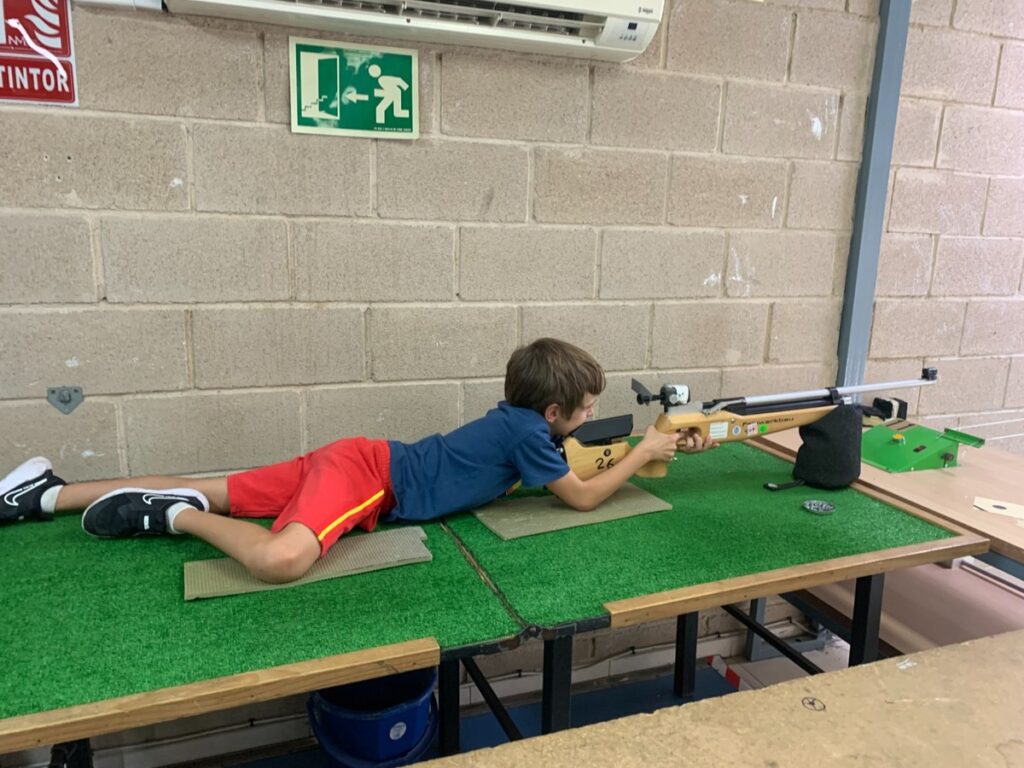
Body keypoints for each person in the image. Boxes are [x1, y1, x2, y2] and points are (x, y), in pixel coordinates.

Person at [0, 338, 715, 584]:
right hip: (369, 481)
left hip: (355, 457)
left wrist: (639, 446)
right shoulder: (533, 436)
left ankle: (39, 494)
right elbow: (581, 496)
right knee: (280, 560)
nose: (589, 417)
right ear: (553, 413)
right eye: (584, 410)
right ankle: (174, 517)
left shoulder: (520, 422)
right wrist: (646, 451)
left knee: (215, 484)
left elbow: (568, 469)